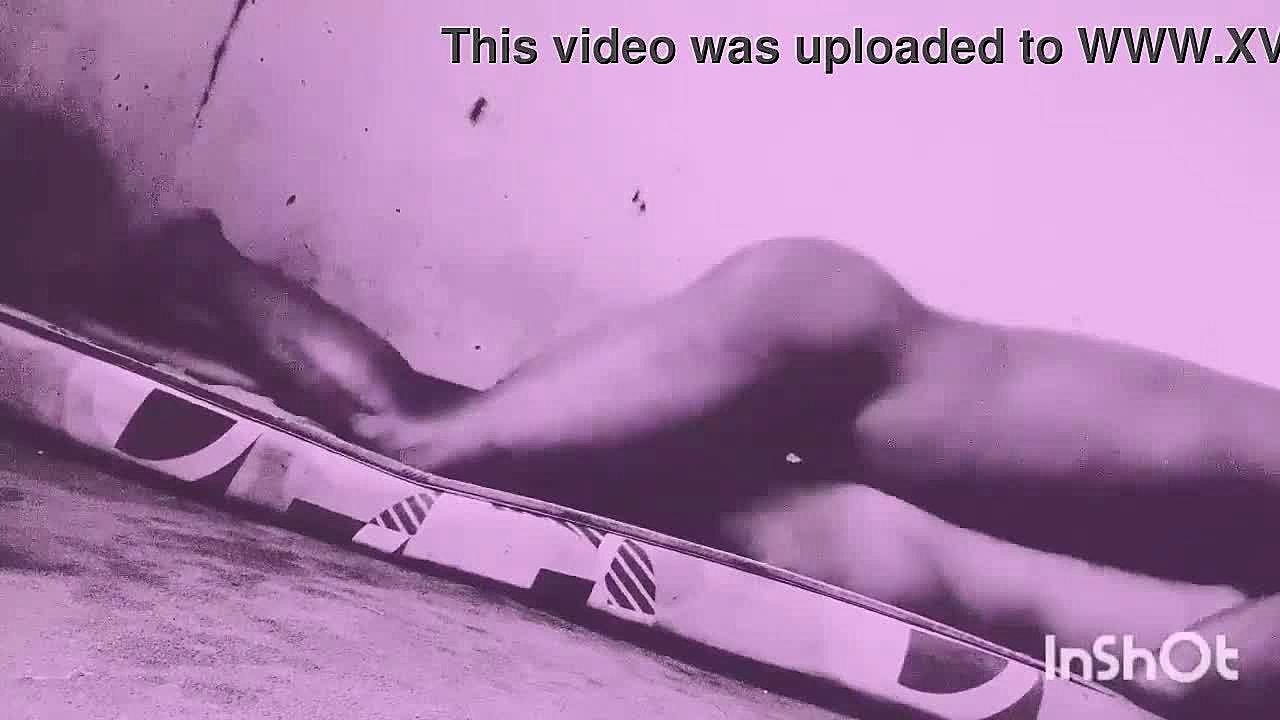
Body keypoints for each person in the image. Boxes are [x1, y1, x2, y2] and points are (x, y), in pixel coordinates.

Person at [3, 100, 1276, 718]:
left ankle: (185, 276)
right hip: (806, 347)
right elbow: (1192, 675)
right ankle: (181, 254)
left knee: (468, 434)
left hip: (822, 382)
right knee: (414, 444)